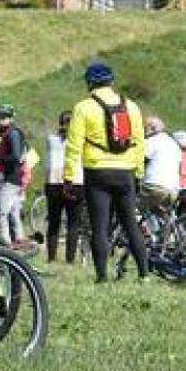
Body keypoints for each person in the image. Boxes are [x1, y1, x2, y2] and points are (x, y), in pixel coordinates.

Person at [64, 62, 148, 283]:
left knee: (99, 226)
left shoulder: (83, 107)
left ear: (90, 83)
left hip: (97, 172)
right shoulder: (131, 106)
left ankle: (102, 277)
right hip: (126, 172)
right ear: (112, 81)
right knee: (131, 224)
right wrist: (138, 173)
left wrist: (70, 178)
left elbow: (74, 145)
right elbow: (139, 142)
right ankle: (144, 274)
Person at [44, 111, 82, 264]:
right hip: (75, 182)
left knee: (54, 222)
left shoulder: (50, 140)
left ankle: (51, 258)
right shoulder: (79, 141)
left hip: (53, 182)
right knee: (73, 223)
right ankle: (70, 260)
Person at [0, 104, 27, 247]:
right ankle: (19, 238)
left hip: (11, 178)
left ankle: (5, 243)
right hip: (16, 177)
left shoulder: (12, 134)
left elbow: (16, 157)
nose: (0, 119)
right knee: (13, 211)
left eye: (4, 117)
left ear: (11, 118)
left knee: (2, 212)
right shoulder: (11, 132)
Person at [139, 117, 182, 216]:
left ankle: (134, 229)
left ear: (151, 129)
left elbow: (141, 160)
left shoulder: (152, 141)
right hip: (173, 190)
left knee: (132, 207)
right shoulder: (174, 144)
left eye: (145, 128)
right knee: (158, 211)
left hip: (154, 186)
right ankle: (165, 229)